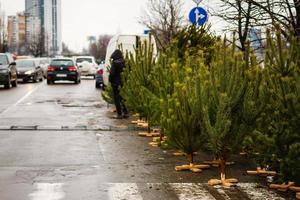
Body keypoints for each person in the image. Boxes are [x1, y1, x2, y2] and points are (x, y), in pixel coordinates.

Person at [109, 49, 128, 119]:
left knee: (117, 98)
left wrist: (110, 80)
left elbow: (112, 73)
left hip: (115, 83)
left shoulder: (114, 63)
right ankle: (126, 112)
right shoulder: (125, 62)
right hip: (123, 82)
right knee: (123, 98)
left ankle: (119, 114)